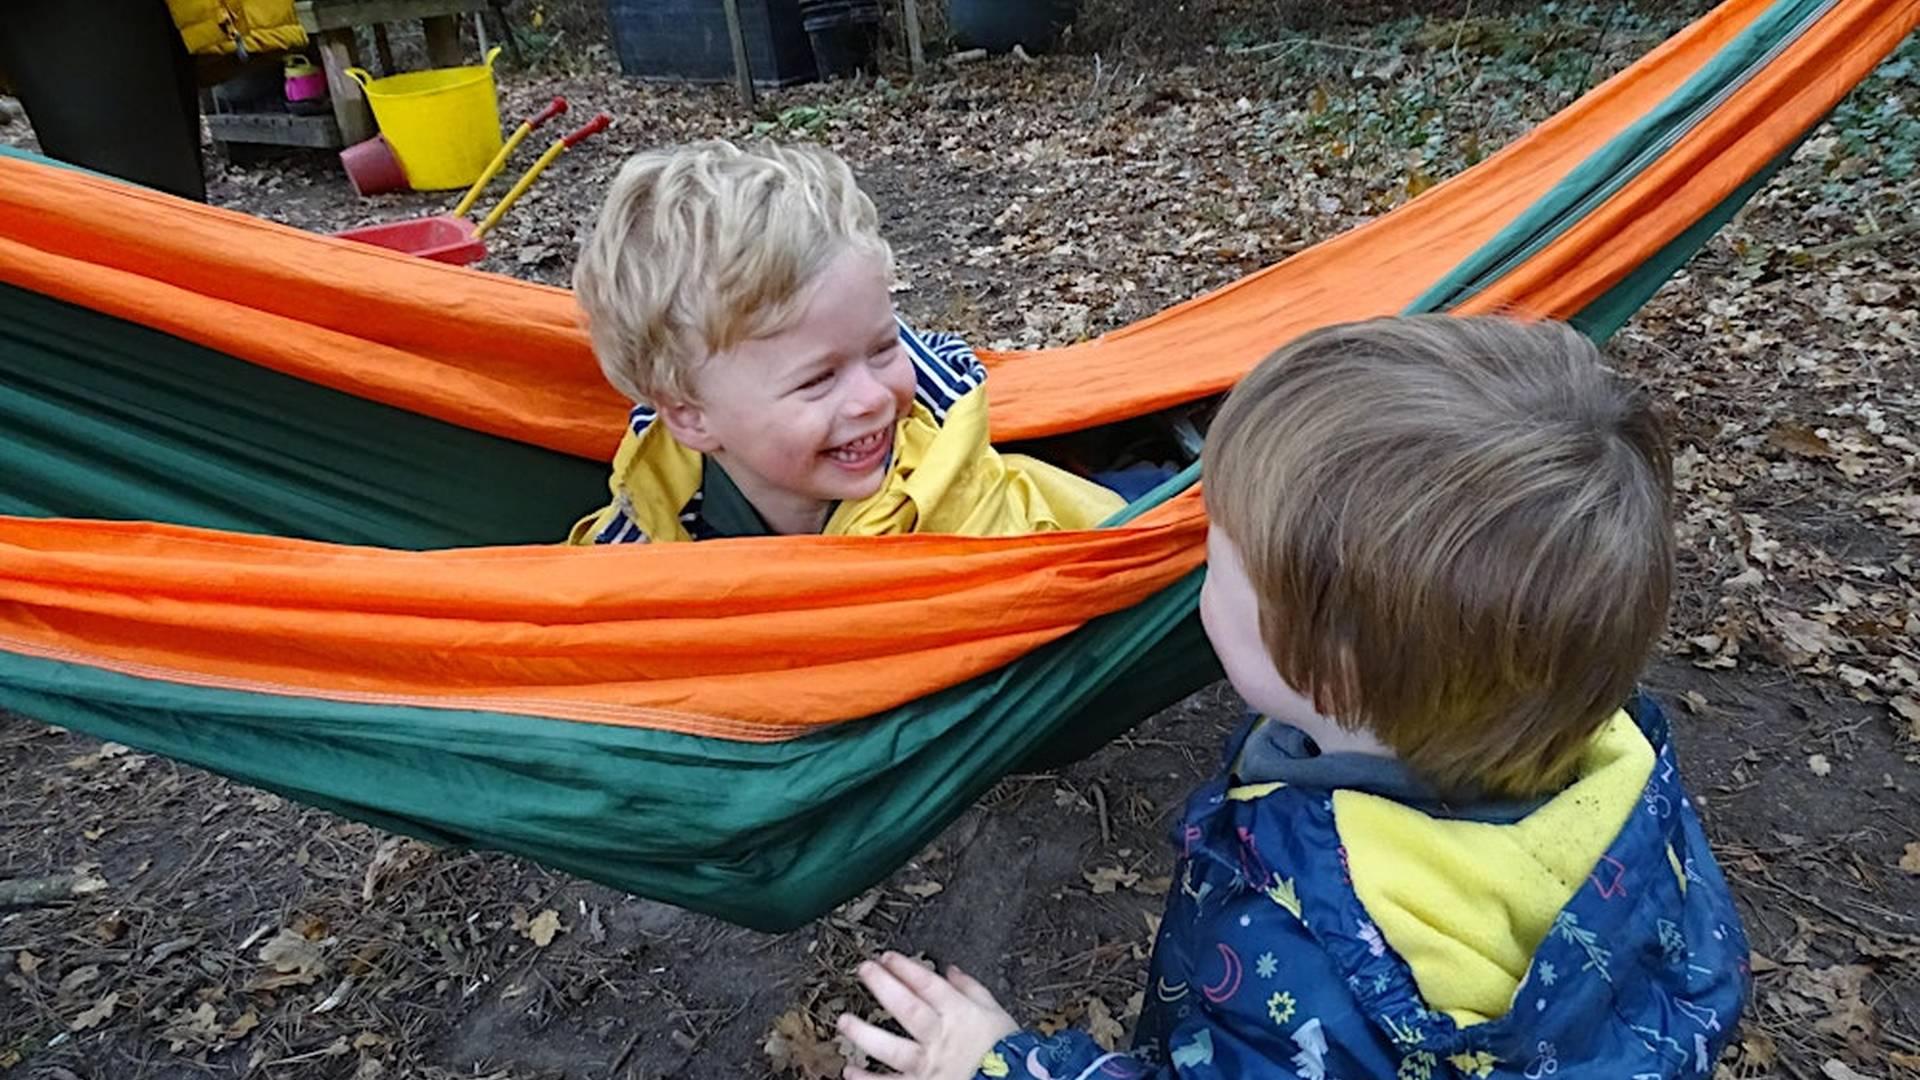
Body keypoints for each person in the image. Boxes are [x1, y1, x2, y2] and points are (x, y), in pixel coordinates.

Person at [837, 315, 1749, 1080]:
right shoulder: (1614, 767)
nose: (1198, 561)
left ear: (1331, 669)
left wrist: (1005, 1062)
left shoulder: (1307, 951)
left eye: (1219, 557)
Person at [566, 139, 1123, 545]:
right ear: (691, 418)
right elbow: (596, 619)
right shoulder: (654, 512)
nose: (873, 398)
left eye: (884, 348)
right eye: (817, 379)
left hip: (1088, 532)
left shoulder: (946, 500)